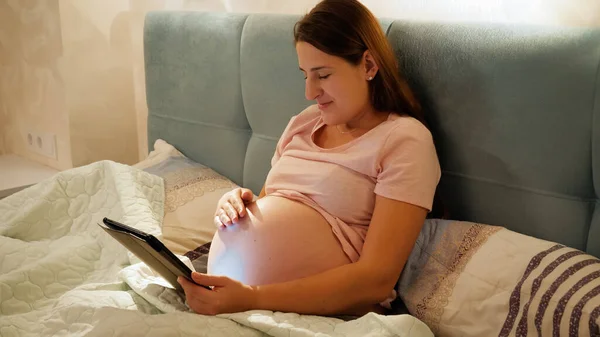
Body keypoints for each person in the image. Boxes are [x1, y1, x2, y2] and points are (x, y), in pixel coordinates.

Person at [177, 0, 441, 317]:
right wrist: (238, 203)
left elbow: (376, 278)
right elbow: (271, 205)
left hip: (306, 311)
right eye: (305, 75)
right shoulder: (303, 123)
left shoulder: (404, 140)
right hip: (231, 304)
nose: (309, 92)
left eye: (323, 75)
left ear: (369, 65)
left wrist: (253, 297)